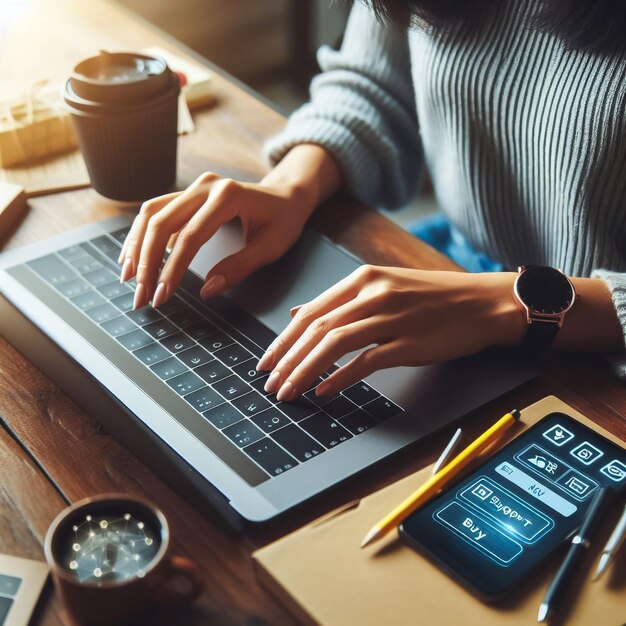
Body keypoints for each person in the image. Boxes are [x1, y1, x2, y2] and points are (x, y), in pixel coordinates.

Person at [118, 0, 626, 403]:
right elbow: (375, 82)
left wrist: (512, 304)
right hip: (457, 263)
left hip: (600, 346)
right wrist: (291, 185)